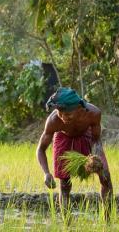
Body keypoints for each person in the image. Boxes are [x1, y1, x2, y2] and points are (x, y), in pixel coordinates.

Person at [36, 87, 113, 218]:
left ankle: (107, 221)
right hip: (63, 139)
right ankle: (68, 225)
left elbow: (96, 140)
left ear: (79, 109)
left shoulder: (93, 114)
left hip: (86, 136)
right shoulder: (54, 121)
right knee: (65, 185)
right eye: (60, 113)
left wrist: (95, 156)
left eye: (67, 114)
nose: (62, 117)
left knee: (105, 178)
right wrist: (46, 173)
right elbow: (41, 149)